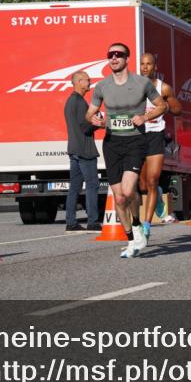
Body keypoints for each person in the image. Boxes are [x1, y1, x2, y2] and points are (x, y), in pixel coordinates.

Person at [86, 42, 167, 258]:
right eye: (110, 55)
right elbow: (90, 113)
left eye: (118, 54)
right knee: (119, 198)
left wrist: (145, 117)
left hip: (135, 141)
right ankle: (131, 238)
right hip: (112, 143)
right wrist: (94, 120)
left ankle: (138, 224)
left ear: (127, 59)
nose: (114, 58)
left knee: (129, 190)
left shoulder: (141, 83)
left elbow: (162, 106)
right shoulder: (102, 86)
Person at [138, 52, 183, 239]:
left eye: (149, 64)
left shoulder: (163, 88)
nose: (145, 67)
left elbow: (178, 110)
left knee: (152, 179)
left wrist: (164, 105)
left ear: (155, 67)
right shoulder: (134, 86)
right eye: (142, 64)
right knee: (142, 185)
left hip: (156, 135)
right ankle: (157, 195)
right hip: (138, 135)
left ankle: (146, 225)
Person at [63, 71, 100, 232]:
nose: (90, 82)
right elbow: (85, 127)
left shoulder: (71, 101)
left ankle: (71, 222)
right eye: (87, 80)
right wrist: (98, 122)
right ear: (79, 81)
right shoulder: (79, 102)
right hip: (85, 150)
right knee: (92, 185)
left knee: (75, 187)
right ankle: (93, 222)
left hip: (75, 149)